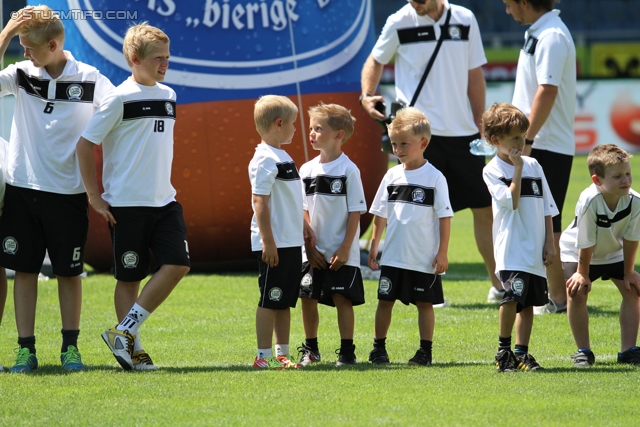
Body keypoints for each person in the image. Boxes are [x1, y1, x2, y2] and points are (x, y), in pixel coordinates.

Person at [361, 0, 504, 303]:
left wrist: (481, 124)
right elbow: (375, 60)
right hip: (418, 133)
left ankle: (499, 285)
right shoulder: (399, 19)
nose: (416, 4)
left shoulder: (465, 18)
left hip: (463, 133)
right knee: (421, 213)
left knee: (485, 211)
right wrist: (367, 95)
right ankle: (428, 290)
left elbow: (474, 75)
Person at [0, 5, 114, 373]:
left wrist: (93, 145)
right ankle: (25, 350)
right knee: (25, 271)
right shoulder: (20, 73)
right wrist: (7, 32)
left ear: (52, 44)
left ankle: (70, 349)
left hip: (68, 194)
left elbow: (115, 108)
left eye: (29, 47)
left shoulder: (91, 77)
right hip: (22, 189)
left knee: (69, 273)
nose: (25, 54)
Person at [77, 23, 190, 371]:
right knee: (129, 278)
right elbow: (84, 145)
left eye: (167, 58)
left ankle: (122, 331)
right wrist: (94, 196)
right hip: (125, 206)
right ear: (134, 58)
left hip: (165, 202)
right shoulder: (118, 98)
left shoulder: (169, 95)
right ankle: (133, 348)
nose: (164, 64)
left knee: (178, 265)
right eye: (158, 58)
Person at [503, 0, 576, 315]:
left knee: (549, 224)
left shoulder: (552, 36)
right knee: (538, 221)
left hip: (547, 143)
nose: (508, 11)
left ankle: (558, 300)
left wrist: (528, 138)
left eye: (509, 4)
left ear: (523, 2)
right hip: (541, 141)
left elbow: (547, 90)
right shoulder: (540, 31)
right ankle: (555, 297)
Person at [367, 107, 452, 366]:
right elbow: (380, 214)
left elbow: (444, 217)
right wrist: (373, 246)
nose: (398, 149)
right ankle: (378, 349)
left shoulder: (435, 178)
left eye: (404, 143)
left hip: (423, 258)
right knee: (385, 301)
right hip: (393, 256)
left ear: (423, 143)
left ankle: (424, 352)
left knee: (424, 304)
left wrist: (442, 252)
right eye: (394, 144)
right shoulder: (391, 175)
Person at [481, 103, 557, 372]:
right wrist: (517, 168)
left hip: (535, 247)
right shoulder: (492, 170)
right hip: (512, 247)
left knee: (528, 304)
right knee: (511, 297)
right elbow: (512, 202)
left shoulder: (535, 165)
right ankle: (503, 352)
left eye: (523, 136)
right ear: (495, 140)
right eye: (514, 137)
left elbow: (548, 207)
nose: (520, 142)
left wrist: (549, 242)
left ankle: (522, 353)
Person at [297, 103, 367, 366]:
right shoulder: (306, 170)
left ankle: (347, 352)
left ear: (339, 135)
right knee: (308, 298)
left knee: (341, 299)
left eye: (318, 129)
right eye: (311, 128)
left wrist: (346, 248)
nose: (312, 134)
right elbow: (303, 209)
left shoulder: (349, 170)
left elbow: (355, 212)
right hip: (312, 251)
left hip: (341, 251)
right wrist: (309, 244)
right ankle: (310, 349)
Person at [560, 144, 640, 367]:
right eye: (617, 176)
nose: (625, 180)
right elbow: (585, 241)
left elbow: (633, 238)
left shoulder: (635, 201)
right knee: (577, 292)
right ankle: (583, 351)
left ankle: (629, 350)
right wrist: (582, 274)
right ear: (597, 181)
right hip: (577, 251)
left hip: (613, 251)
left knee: (632, 289)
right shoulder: (589, 200)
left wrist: (629, 272)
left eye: (627, 173)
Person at [249, 95, 306, 369]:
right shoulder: (264, 158)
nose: (296, 129)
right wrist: (268, 242)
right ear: (279, 123)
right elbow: (259, 200)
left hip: (291, 241)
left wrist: (304, 228)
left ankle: (282, 354)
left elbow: (291, 198)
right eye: (293, 124)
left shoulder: (283, 155)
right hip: (276, 243)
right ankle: (263, 356)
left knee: (284, 300)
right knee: (270, 299)